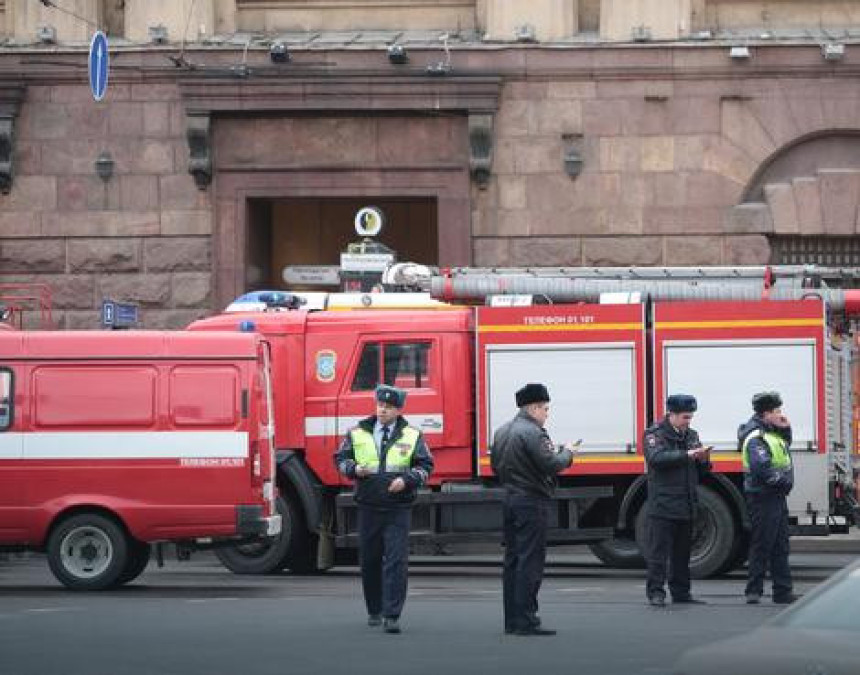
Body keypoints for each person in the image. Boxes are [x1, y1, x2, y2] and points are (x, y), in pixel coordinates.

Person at [333, 384, 434, 634]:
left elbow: (425, 466)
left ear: (398, 410)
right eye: (380, 406)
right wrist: (353, 470)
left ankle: (392, 615)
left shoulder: (412, 434)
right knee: (369, 560)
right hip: (368, 506)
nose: (382, 411)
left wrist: (407, 480)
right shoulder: (357, 432)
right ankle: (374, 610)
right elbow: (340, 459)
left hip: (398, 508)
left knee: (396, 561)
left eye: (388, 408)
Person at [491, 383, 575, 636]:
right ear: (534, 407)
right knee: (530, 561)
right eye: (545, 409)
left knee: (513, 561)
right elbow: (551, 464)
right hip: (531, 501)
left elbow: (496, 466)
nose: (547, 414)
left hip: (510, 499)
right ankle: (527, 620)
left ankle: (512, 620)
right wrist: (568, 452)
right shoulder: (534, 433)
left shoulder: (502, 431)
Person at [643, 394, 711, 607]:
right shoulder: (655, 434)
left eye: (690, 417)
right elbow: (656, 458)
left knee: (682, 553)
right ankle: (656, 592)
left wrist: (704, 460)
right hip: (663, 504)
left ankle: (681, 592)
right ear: (671, 415)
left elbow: (702, 471)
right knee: (659, 553)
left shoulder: (692, 435)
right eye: (684, 417)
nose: (688, 421)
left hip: (687, 503)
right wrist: (688, 454)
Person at [737, 391, 796, 605]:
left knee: (780, 545)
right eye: (777, 411)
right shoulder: (756, 437)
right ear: (766, 413)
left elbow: (784, 446)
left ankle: (782, 591)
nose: (781, 413)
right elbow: (762, 469)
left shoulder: (771, 432)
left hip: (776, 496)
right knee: (763, 544)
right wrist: (784, 482)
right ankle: (753, 590)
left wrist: (785, 427)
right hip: (763, 497)